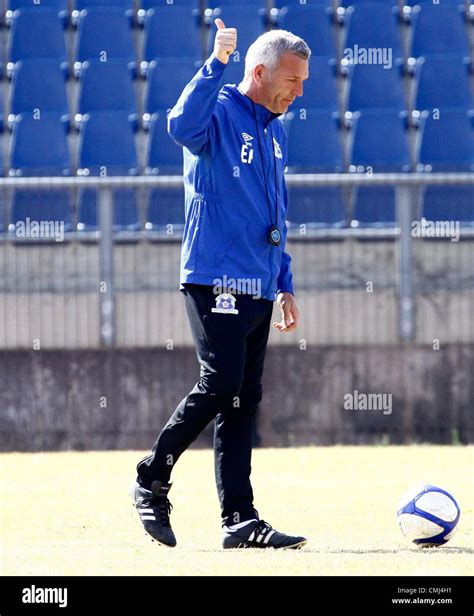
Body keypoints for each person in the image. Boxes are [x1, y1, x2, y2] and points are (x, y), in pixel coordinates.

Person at [132, 20, 310, 549]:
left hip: (259, 284)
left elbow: (276, 212)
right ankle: (151, 477)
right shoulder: (219, 110)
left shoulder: (274, 130)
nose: (300, 92)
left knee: (241, 401)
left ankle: (240, 520)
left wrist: (284, 282)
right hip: (214, 278)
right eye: (293, 81)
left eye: (303, 82)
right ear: (258, 72)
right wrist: (214, 63)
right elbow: (179, 126)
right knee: (220, 383)